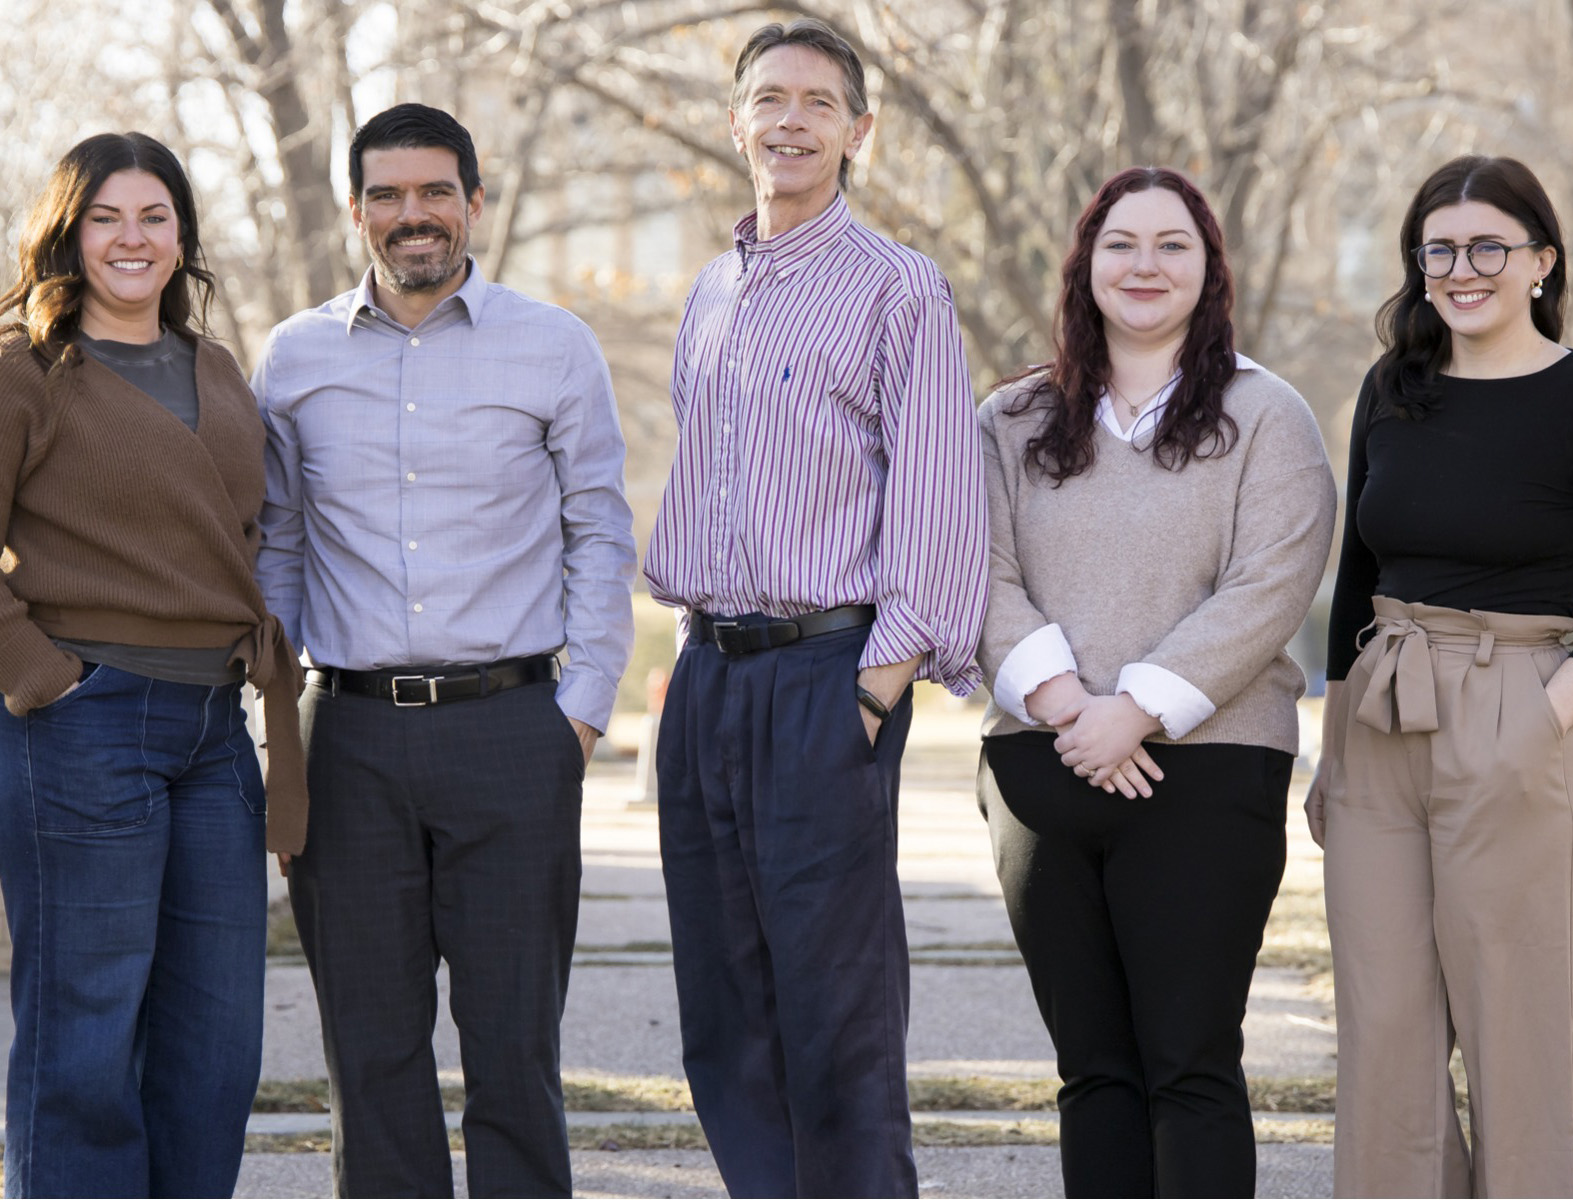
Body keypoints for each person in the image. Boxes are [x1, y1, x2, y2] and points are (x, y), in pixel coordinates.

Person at [254, 103, 635, 1197]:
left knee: (514, 1049)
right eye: (387, 195)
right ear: (357, 210)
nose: (411, 216)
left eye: (434, 193)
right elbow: (278, 548)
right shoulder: (295, 358)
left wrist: (582, 708)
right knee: (369, 1054)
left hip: (515, 730)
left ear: (474, 202)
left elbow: (600, 529)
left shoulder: (554, 343)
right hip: (350, 739)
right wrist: (284, 733)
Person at [643, 18, 988, 1198]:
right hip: (706, 676)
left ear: (858, 132)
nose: (790, 121)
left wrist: (877, 685)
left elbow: (941, 498)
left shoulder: (899, 289)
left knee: (833, 1001)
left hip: (823, 677)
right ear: (734, 121)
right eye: (769, 99)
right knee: (722, 998)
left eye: (817, 103)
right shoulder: (710, 290)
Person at [975, 166, 1335, 1197]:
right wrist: (1066, 709)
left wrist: (1132, 709)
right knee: (1091, 1073)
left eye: (1171, 245)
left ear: (1208, 270)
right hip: (1039, 771)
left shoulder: (1267, 416)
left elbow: (1271, 583)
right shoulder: (1008, 420)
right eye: (1120, 243)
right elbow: (977, 574)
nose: (1144, 265)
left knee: (1189, 1065)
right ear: (1084, 265)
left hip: (1209, 775)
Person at [0, 132, 305, 1197]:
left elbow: (238, 527)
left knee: (217, 1037)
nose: (132, 239)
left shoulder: (215, 366)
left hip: (216, 732)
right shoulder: (23, 366)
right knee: (85, 1032)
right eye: (107, 218)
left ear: (183, 237)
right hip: (84, 723)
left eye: (154, 217)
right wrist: (38, 673)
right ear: (67, 232)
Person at [1306, 155, 1573, 1197]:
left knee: (1513, 1033)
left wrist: (1559, 699)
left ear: (1540, 263)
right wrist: (1332, 751)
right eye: (1439, 248)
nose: (1460, 269)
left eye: (1488, 246)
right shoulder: (1394, 387)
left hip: (1517, 709)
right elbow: (1357, 577)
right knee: (1383, 1024)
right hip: (1380, 713)